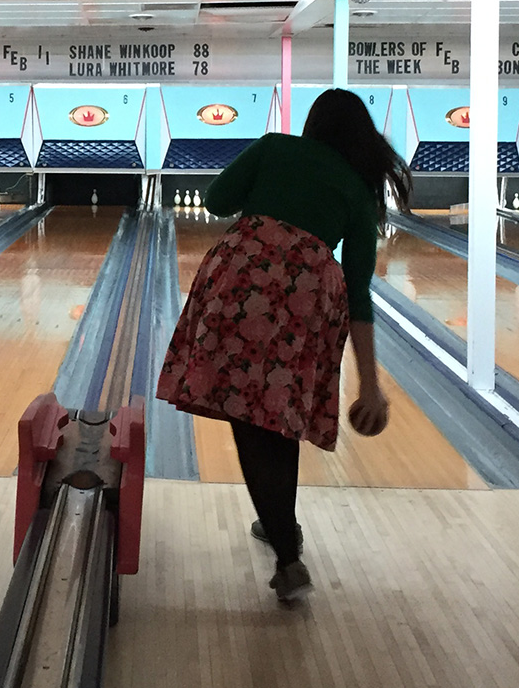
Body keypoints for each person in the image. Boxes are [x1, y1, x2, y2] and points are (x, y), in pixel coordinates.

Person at [156, 89, 411, 602]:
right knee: (277, 414)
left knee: (248, 420)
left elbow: (215, 201)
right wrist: (370, 385)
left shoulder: (274, 147)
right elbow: (358, 292)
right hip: (311, 297)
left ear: (314, 125)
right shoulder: (360, 192)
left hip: (243, 282)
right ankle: (282, 528)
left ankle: (287, 554)